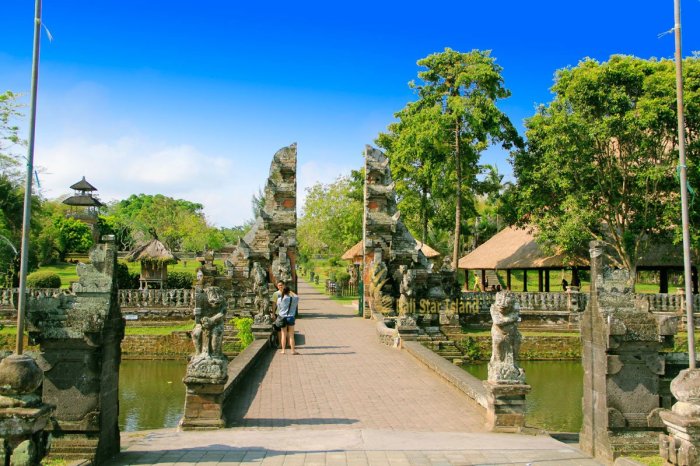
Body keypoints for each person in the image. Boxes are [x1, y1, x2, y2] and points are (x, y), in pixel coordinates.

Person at [276, 285, 298, 355]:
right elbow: (296, 296)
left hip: (282, 317)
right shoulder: (294, 299)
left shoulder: (280, 299)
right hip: (291, 317)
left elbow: (279, 307)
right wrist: (290, 291)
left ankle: (283, 350)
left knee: (283, 334)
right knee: (291, 335)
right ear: (289, 291)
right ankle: (293, 351)